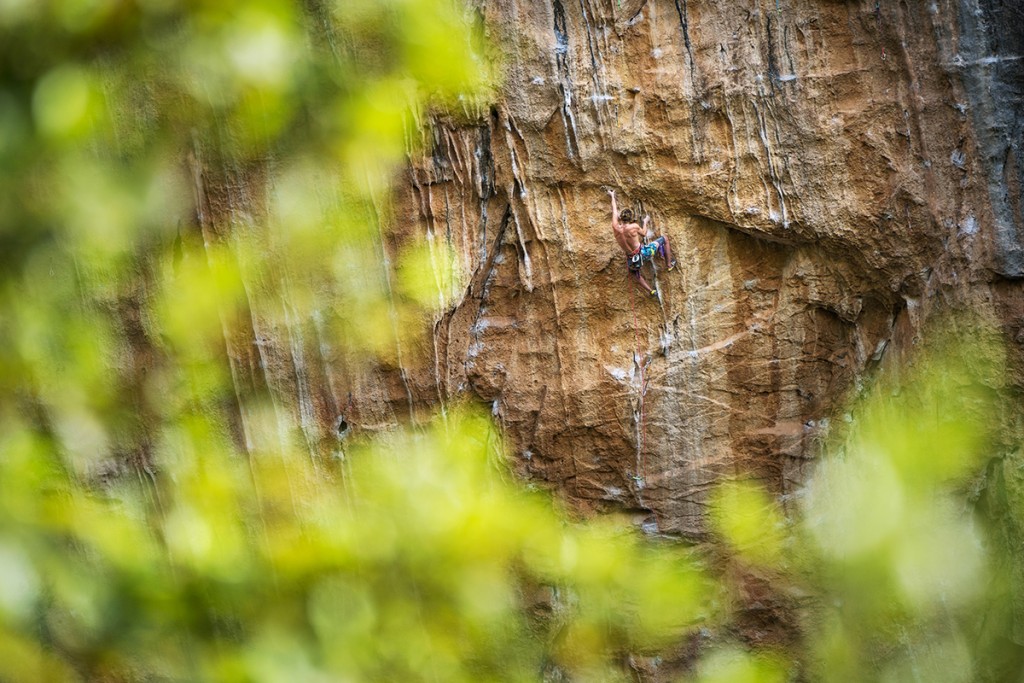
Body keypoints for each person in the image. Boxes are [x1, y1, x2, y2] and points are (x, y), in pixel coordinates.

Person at [607, 189, 675, 298]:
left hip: (632, 259)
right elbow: (644, 233)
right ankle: (669, 264)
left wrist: (612, 196)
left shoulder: (615, 227)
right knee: (665, 239)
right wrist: (645, 222)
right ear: (631, 218)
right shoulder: (633, 227)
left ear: (621, 218)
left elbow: (614, 212)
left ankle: (651, 291)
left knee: (635, 273)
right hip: (644, 253)